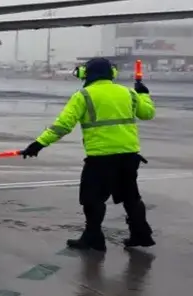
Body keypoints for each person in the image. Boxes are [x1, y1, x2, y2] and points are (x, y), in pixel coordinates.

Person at [19, 57, 156, 252]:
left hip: (100, 157)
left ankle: (93, 237)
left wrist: (39, 144)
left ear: (86, 73)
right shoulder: (128, 93)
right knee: (130, 197)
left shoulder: (83, 95)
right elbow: (147, 114)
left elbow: (63, 126)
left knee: (92, 199)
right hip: (129, 155)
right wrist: (143, 95)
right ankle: (141, 234)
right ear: (112, 74)